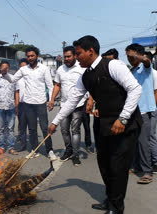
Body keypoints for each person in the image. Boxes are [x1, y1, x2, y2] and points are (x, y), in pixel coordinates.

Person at [48, 35, 142, 214]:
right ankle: (110, 198)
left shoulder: (112, 66)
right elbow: (71, 100)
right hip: (105, 123)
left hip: (125, 124)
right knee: (104, 163)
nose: (76, 57)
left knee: (117, 166)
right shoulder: (85, 76)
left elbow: (135, 89)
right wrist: (55, 122)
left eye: (79, 53)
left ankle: (116, 207)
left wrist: (123, 118)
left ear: (91, 51)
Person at [2, 47, 56, 160]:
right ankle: (34, 150)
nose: (30, 58)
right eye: (28, 56)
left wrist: (51, 100)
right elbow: (12, 80)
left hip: (41, 102)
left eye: (32, 56)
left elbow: (50, 85)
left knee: (45, 128)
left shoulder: (44, 68)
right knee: (32, 129)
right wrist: (5, 74)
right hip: (28, 103)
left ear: (37, 56)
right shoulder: (23, 70)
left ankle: (50, 151)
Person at [49, 46, 86, 166]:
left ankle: (75, 154)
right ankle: (68, 150)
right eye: (65, 57)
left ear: (75, 56)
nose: (66, 59)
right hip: (64, 104)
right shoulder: (60, 69)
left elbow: (89, 85)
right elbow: (57, 86)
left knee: (75, 130)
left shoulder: (82, 68)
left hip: (78, 105)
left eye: (69, 56)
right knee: (64, 130)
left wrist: (90, 99)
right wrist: (52, 99)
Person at [126, 43, 155, 184]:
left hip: (145, 110)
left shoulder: (146, 67)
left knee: (144, 142)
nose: (130, 59)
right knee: (135, 141)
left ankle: (147, 171)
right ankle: (137, 166)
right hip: (134, 111)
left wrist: (137, 56)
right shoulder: (131, 70)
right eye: (128, 57)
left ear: (138, 54)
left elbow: (147, 61)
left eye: (131, 56)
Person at [0, 61, 18, 155]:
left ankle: (11, 147)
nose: (4, 69)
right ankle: (1, 147)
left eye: (6, 68)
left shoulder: (13, 79)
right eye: (2, 67)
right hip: (0, 107)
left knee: (10, 128)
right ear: (0, 68)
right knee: (0, 129)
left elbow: (16, 92)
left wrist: (17, 105)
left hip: (10, 107)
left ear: (8, 68)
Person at [145, 52, 157, 173]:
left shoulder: (154, 74)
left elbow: (155, 92)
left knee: (151, 136)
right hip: (145, 109)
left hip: (151, 109)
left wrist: (152, 107)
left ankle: (155, 161)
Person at [15, 58, 29, 152]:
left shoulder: (31, 77)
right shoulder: (17, 79)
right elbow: (17, 93)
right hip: (21, 105)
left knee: (32, 127)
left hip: (32, 105)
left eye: (24, 67)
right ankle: (23, 145)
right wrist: (16, 106)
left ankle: (34, 146)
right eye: (21, 67)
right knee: (22, 126)